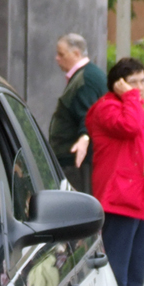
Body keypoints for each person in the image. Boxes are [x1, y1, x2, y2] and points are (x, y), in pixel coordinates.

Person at [86, 57, 144, 286]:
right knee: (118, 261)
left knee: (138, 263)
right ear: (117, 84)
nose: (140, 88)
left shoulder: (136, 106)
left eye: (143, 81)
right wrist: (131, 97)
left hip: (141, 194)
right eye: (133, 83)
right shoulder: (106, 108)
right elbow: (128, 127)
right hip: (119, 195)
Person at [48, 33, 106, 193]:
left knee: (75, 209)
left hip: (77, 162)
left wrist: (84, 138)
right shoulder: (86, 75)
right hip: (76, 160)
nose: (57, 58)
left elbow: (89, 116)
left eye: (61, 54)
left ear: (76, 54)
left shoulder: (85, 80)